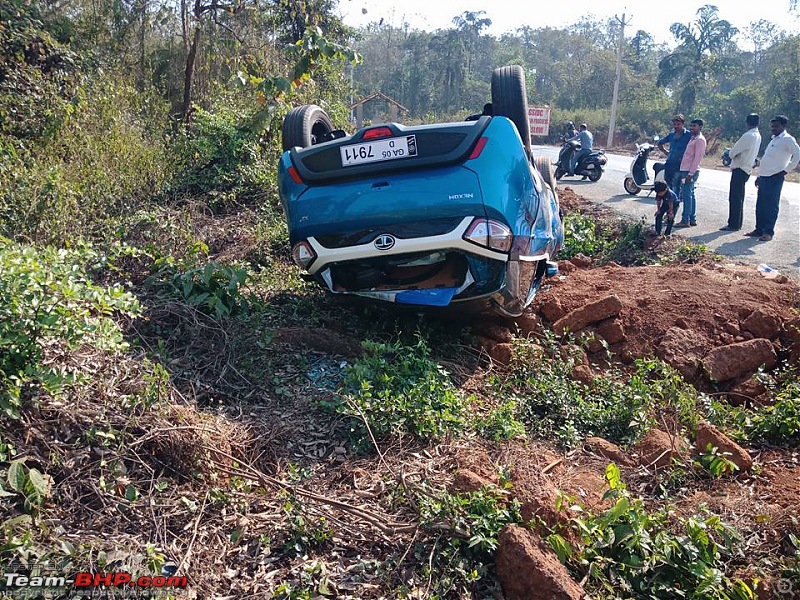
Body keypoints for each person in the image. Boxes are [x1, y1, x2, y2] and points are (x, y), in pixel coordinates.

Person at [745, 115, 800, 241]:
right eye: (772, 126)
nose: (773, 128)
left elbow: (797, 154)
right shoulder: (774, 139)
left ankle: (768, 232)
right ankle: (759, 229)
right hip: (764, 176)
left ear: (783, 126)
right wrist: (759, 175)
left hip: (775, 177)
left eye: (776, 126)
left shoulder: (787, 139)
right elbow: (766, 160)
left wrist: (785, 171)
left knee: (771, 205)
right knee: (761, 205)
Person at [720, 113, 761, 231]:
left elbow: (732, 153)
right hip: (747, 168)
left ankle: (733, 224)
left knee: (735, 197)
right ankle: (737, 222)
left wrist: (733, 153)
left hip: (740, 168)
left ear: (747, 123)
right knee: (739, 197)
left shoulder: (748, 135)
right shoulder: (758, 135)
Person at [673, 119, 707, 228]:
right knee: (690, 194)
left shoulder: (700, 140)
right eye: (691, 126)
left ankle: (685, 220)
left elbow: (697, 158)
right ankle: (692, 219)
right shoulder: (693, 138)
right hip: (686, 170)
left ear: (700, 127)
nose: (692, 128)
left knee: (687, 196)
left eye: (694, 126)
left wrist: (690, 174)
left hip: (690, 171)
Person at [657, 114, 691, 196]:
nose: (676, 126)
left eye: (678, 124)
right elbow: (660, 143)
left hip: (680, 165)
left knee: (676, 186)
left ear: (683, 124)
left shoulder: (688, 135)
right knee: (668, 185)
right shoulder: (671, 134)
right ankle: (669, 205)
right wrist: (666, 152)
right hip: (669, 163)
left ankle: (675, 205)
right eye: (674, 124)